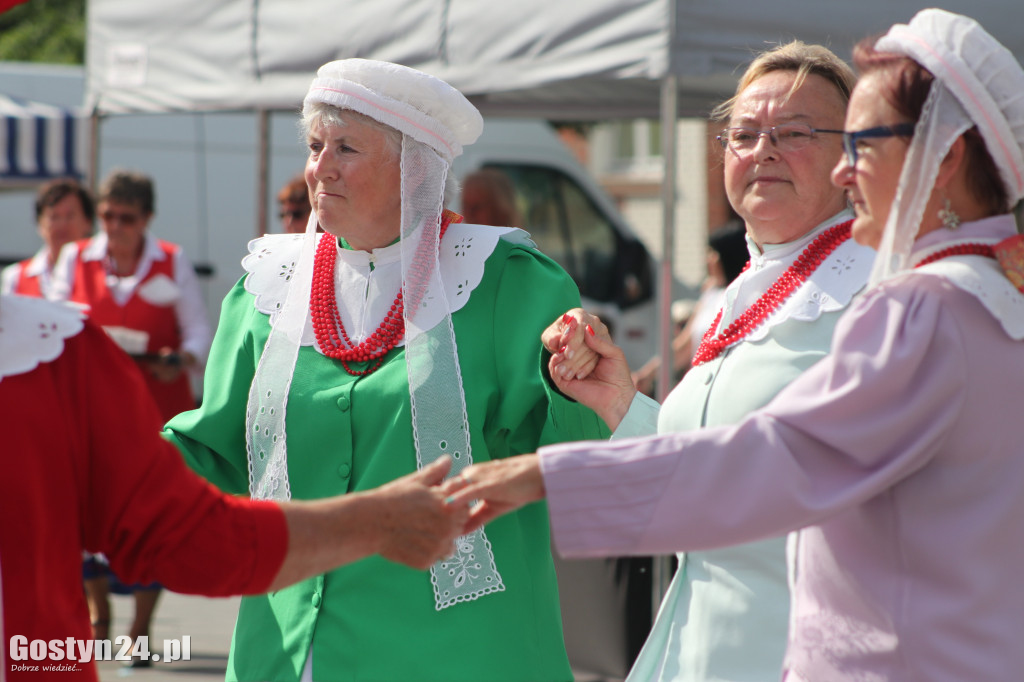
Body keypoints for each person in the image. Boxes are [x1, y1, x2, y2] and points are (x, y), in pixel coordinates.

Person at [446, 9, 1024, 681]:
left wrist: (547, 477)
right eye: (742, 135)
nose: (846, 171)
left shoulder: (913, 302)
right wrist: (621, 408)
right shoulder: (980, 291)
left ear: (944, 157)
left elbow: (784, 461)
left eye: (856, 142)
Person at [163, 58, 608, 682]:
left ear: (416, 169)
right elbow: (215, 448)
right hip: (284, 648)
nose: (321, 167)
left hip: (458, 652)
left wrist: (577, 382)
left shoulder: (503, 280)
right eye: (316, 146)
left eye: (347, 147)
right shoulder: (267, 287)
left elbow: (572, 458)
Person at [521, 41, 875, 682]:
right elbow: (711, 461)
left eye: (793, 133)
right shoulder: (743, 290)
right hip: (695, 641)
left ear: (852, 158)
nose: (762, 149)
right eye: (742, 134)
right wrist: (619, 402)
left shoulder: (880, 297)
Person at [0, 292, 467, 682]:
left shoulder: (48, 352)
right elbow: (190, 520)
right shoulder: (50, 351)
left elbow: (181, 532)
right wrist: (376, 522)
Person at [52, 169, 213, 659]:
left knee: (152, 521)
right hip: (90, 417)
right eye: (106, 215)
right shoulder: (76, 259)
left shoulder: (171, 259)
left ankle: (140, 628)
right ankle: (99, 619)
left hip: (155, 415)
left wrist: (181, 361)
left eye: (126, 217)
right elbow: (54, 325)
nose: (115, 226)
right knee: (85, 522)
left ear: (146, 219)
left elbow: (199, 334)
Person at [631, 221, 749, 396]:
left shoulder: (746, 294)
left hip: (730, 389)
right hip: (702, 388)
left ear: (728, 256)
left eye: (712, 253)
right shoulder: (709, 295)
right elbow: (683, 346)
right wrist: (646, 375)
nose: (708, 259)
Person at [1, 178, 94, 298]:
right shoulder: (15, 277)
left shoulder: (101, 276)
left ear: (88, 222)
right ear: (40, 224)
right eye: (54, 216)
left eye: (70, 216)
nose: (62, 224)